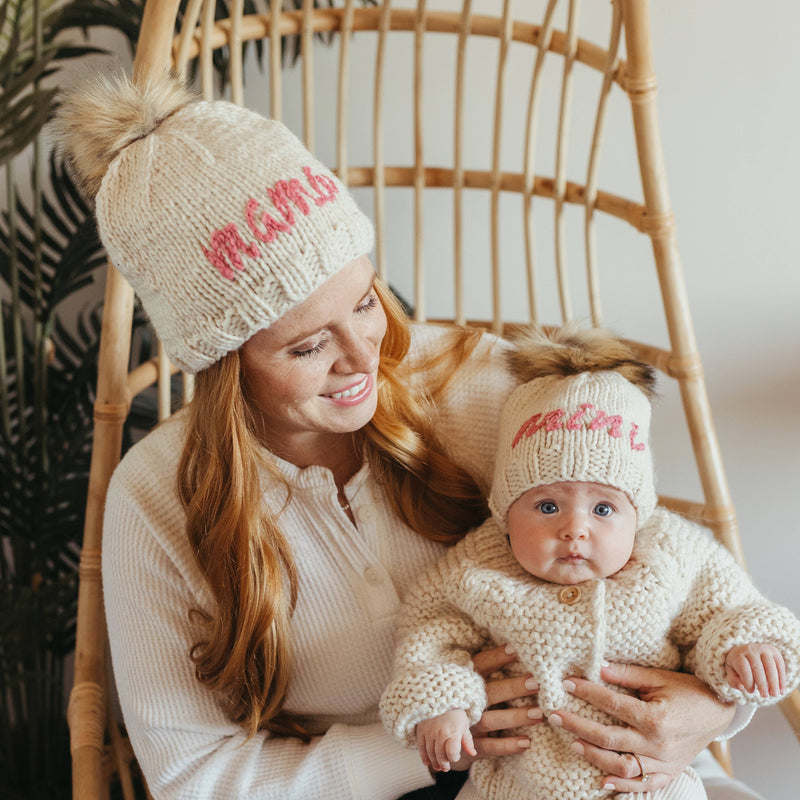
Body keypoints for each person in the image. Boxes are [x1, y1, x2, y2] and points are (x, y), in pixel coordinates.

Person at [53, 72, 766, 800]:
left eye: (366, 302)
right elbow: (191, 775)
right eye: (306, 348)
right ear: (220, 363)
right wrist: (426, 749)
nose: (366, 356)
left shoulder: (485, 388)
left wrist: (713, 712)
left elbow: (669, 568)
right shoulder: (157, 498)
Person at [380, 326, 800, 800]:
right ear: (505, 512)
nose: (574, 529)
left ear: (636, 514)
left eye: (603, 509)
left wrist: (746, 648)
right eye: (546, 506)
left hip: (645, 780)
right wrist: (444, 701)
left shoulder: (672, 553)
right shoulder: (479, 567)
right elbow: (432, 631)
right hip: (517, 782)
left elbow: (727, 610)